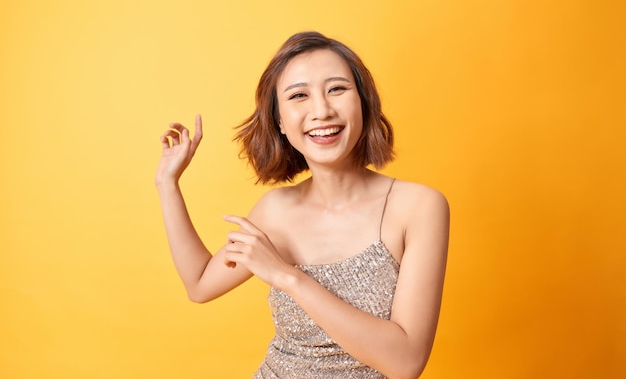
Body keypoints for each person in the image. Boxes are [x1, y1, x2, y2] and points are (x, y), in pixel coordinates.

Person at [155, 31, 449, 379]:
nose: (322, 110)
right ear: (280, 121)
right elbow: (200, 285)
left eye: (337, 89)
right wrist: (167, 183)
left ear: (364, 103)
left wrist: (287, 277)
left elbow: (406, 363)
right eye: (299, 96)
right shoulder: (275, 210)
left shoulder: (418, 207)